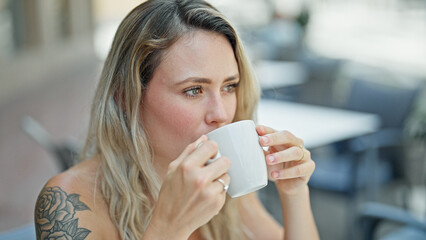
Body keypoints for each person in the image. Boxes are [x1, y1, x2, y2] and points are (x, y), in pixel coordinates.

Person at [34, 0, 319, 239]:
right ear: (126, 97)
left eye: (229, 86)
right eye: (194, 90)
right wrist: (167, 229)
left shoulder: (226, 178)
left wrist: (294, 194)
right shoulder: (70, 200)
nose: (220, 114)